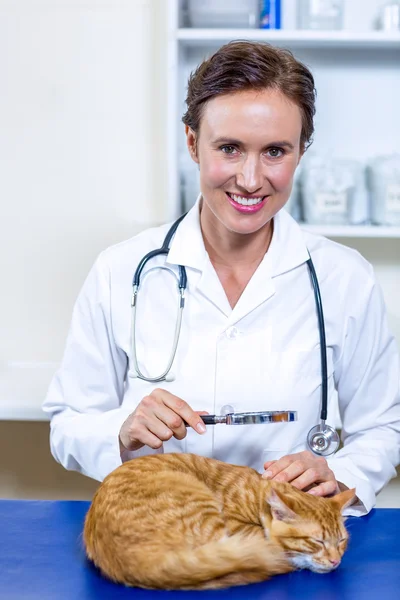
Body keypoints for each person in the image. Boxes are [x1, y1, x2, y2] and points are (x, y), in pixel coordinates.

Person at [43, 41, 400, 516]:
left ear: (301, 152)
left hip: (286, 535)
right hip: (160, 528)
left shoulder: (343, 277)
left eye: (275, 151)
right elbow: (69, 423)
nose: (251, 180)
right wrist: (122, 431)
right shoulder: (121, 269)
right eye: (229, 148)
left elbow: (384, 427)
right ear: (192, 142)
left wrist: (341, 473)